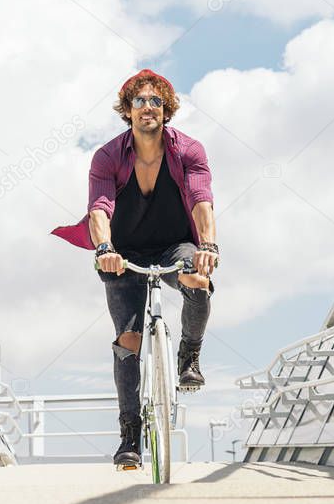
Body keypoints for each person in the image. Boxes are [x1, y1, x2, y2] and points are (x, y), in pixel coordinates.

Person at [51, 68, 219, 469]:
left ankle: (189, 354)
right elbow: (99, 209)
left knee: (198, 280)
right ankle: (130, 435)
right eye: (139, 101)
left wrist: (208, 245)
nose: (148, 107)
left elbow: (201, 200)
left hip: (174, 243)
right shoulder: (108, 156)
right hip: (123, 251)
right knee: (128, 339)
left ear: (166, 109)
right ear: (128, 110)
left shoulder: (189, 150)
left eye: (156, 101)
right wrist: (105, 248)